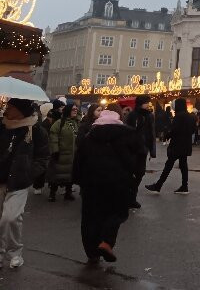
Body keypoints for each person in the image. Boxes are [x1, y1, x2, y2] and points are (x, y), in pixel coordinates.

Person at [72, 109, 145, 264]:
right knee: (117, 213)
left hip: (91, 182)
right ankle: (106, 242)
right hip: (118, 181)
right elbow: (141, 154)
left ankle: (92, 251)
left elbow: (79, 159)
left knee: (91, 216)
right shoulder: (129, 135)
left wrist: (77, 178)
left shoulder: (90, 136)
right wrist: (136, 174)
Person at [0, 98, 50, 269]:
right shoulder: (3, 126)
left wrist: (30, 174)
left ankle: (15, 252)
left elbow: (43, 157)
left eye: (11, 107)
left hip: (19, 181)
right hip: (1, 179)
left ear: (20, 110)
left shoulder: (35, 130)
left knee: (11, 218)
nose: (7, 110)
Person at [145, 97, 194, 195]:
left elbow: (174, 130)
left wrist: (167, 136)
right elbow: (193, 130)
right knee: (183, 165)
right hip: (186, 144)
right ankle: (184, 186)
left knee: (168, 165)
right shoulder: (189, 116)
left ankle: (158, 186)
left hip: (177, 145)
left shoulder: (179, 116)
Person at [125, 94, 156, 208]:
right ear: (140, 103)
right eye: (146, 102)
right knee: (131, 173)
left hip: (143, 149)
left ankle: (132, 197)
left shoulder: (150, 116)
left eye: (149, 102)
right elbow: (128, 131)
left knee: (140, 173)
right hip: (132, 149)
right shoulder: (132, 115)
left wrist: (152, 150)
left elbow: (152, 133)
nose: (148, 104)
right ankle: (128, 197)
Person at [48, 102, 80, 202]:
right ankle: (52, 193)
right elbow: (53, 136)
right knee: (56, 174)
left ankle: (68, 193)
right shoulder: (59, 123)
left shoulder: (76, 123)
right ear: (68, 111)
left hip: (72, 154)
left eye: (76, 109)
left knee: (70, 175)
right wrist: (55, 151)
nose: (75, 111)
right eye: (73, 109)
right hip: (61, 154)